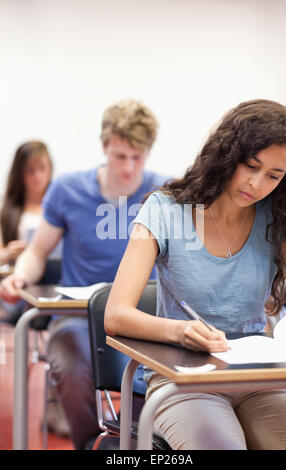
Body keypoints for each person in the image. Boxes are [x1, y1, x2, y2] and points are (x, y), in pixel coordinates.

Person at [104, 99, 286, 450]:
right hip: (182, 379)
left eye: (274, 175)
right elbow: (116, 315)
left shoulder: (278, 216)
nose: (257, 184)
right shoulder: (164, 209)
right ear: (227, 154)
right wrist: (180, 331)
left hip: (259, 377)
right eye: (250, 166)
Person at [0, 98, 168, 449]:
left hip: (144, 320)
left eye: (138, 158)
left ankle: (135, 442)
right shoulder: (69, 190)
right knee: (70, 361)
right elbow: (38, 251)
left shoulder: (162, 192)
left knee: (152, 379)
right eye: (120, 156)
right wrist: (20, 276)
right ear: (105, 146)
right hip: (78, 318)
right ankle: (92, 443)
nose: (129, 167)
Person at [0, 141, 53, 322]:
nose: (37, 176)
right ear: (20, 173)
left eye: (42, 168)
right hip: (21, 283)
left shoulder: (58, 209)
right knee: (20, 306)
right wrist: (8, 254)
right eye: (30, 170)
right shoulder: (8, 213)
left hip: (54, 281)